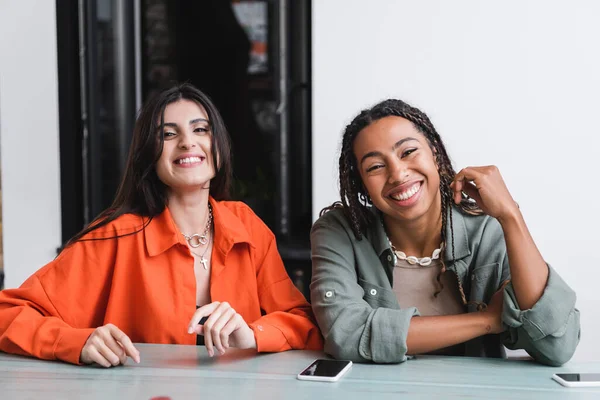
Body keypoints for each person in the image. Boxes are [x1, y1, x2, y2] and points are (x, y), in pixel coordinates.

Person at [0, 83, 322, 367]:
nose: (187, 143)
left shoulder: (246, 225)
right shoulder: (116, 235)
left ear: (218, 145)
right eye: (168, 134)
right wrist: (78, 343)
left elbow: (303, 321)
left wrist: (252, 334)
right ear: (149, 155)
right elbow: (7, 314)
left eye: (200, 130)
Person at [310, 99, 580, 366]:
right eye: (375, 167)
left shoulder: (487, 230)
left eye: (408, 152)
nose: (397, 174)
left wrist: (510, 215)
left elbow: (557, 345)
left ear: (435, 153)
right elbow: (347, 334)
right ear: (361, 185)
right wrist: (488, 320)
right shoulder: (339, 232)